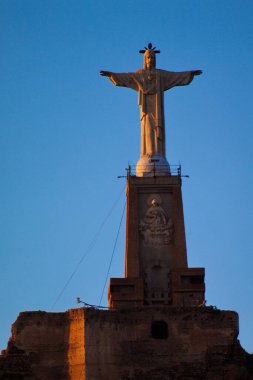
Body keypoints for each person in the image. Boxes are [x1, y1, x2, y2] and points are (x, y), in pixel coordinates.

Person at [100, 46, 202, 161]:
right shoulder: (140, 74)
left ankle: (158, 155)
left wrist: (189, 73)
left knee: (158, 130)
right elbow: (126, 77)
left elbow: (175, 76)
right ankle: (147, 154)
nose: (150, 60)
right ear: (144, 59)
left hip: (157, 111)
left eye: (152, 58)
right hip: (146, 111)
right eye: (148, 58)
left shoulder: (160, 75)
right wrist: (112, 75)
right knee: (147, 129)